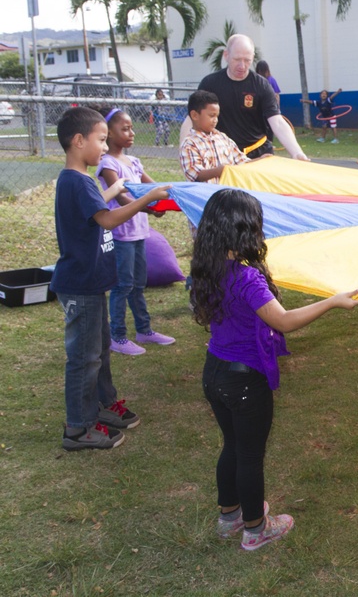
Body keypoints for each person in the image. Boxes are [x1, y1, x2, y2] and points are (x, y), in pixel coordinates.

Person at [191, 188, 358, 551]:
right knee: (250, 455)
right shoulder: (246, 278)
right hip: (244, 382)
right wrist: (331, 302)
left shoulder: (209, 267)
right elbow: (282, 321)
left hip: (214, 373)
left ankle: (229, 517)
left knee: (232, 446)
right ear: (245, 230)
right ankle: (256, 529)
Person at [52, 106, 170, 451]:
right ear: (78, 141)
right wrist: (146, 198)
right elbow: (106, 220)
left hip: (90, 284)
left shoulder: (80, 182)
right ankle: (78, 427)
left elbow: (96, 210)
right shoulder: (77, 182)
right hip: (80, 286)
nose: (105, 147)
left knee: (99, 351)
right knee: (84, 358)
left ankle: (102, 406)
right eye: (101, 140)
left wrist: (120, 188)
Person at [96, 108, 175, 356]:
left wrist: (175, 197)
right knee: (123, 285)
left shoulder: (133, 162)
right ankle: (117, 337)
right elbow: (121, 198)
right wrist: (150, 209)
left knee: (138, 284)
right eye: (125, 129)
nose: (131, 133)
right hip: (121, 236)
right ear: (109, 133)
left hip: (139, 233)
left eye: (132, 128)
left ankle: (144, 330)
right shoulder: (107, 164)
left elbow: (154, 186)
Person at [181, 34, 308, 161]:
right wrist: (184, 154)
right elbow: (191, 119)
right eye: (237, 59)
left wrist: (297, 152)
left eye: (247, 60)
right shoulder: (210, 84)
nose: (242, 66)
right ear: (226, 55)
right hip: (224, 155)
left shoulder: (262, 85)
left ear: (253, 58)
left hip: (259, 153)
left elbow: (278, 122)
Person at [180, 90, 255, 184]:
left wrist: (262, 160)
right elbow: (195, 174)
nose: (215, 120)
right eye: (211, 116)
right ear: (195, 115)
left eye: (217, 116)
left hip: (228, 194)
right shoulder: (189, 144)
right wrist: (219, 171)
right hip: (205, 196)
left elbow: (242, 162)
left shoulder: (223, 138)